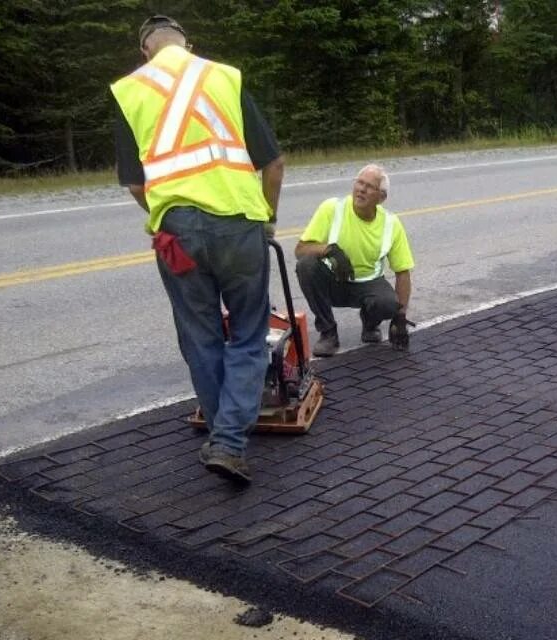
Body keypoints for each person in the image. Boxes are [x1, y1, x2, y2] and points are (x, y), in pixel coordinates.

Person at [110, 15, 284, 484]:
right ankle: (229, 441)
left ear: (145, 52)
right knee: (248, 333)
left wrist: (166, 213)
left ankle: (223, 436)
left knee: (200, 336)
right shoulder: (224, 76)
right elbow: (273, 163)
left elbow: (132, 181)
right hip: (240, 223)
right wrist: (267, 218)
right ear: (189, 44)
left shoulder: (130, 90)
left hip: (178, 232)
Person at [295, 164, 415, 356]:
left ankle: (370, 323)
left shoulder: (391, 224)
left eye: (369, 186)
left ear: (381, 197)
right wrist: (329, 250)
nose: (361, 189)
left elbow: (403, 272)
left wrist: (400, 318)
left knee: (388, 304)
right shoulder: (332, 208)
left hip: (368, 284)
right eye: (359, 182)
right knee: (306, 265)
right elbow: (300, 250)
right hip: (335, 280)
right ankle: (328, 333)